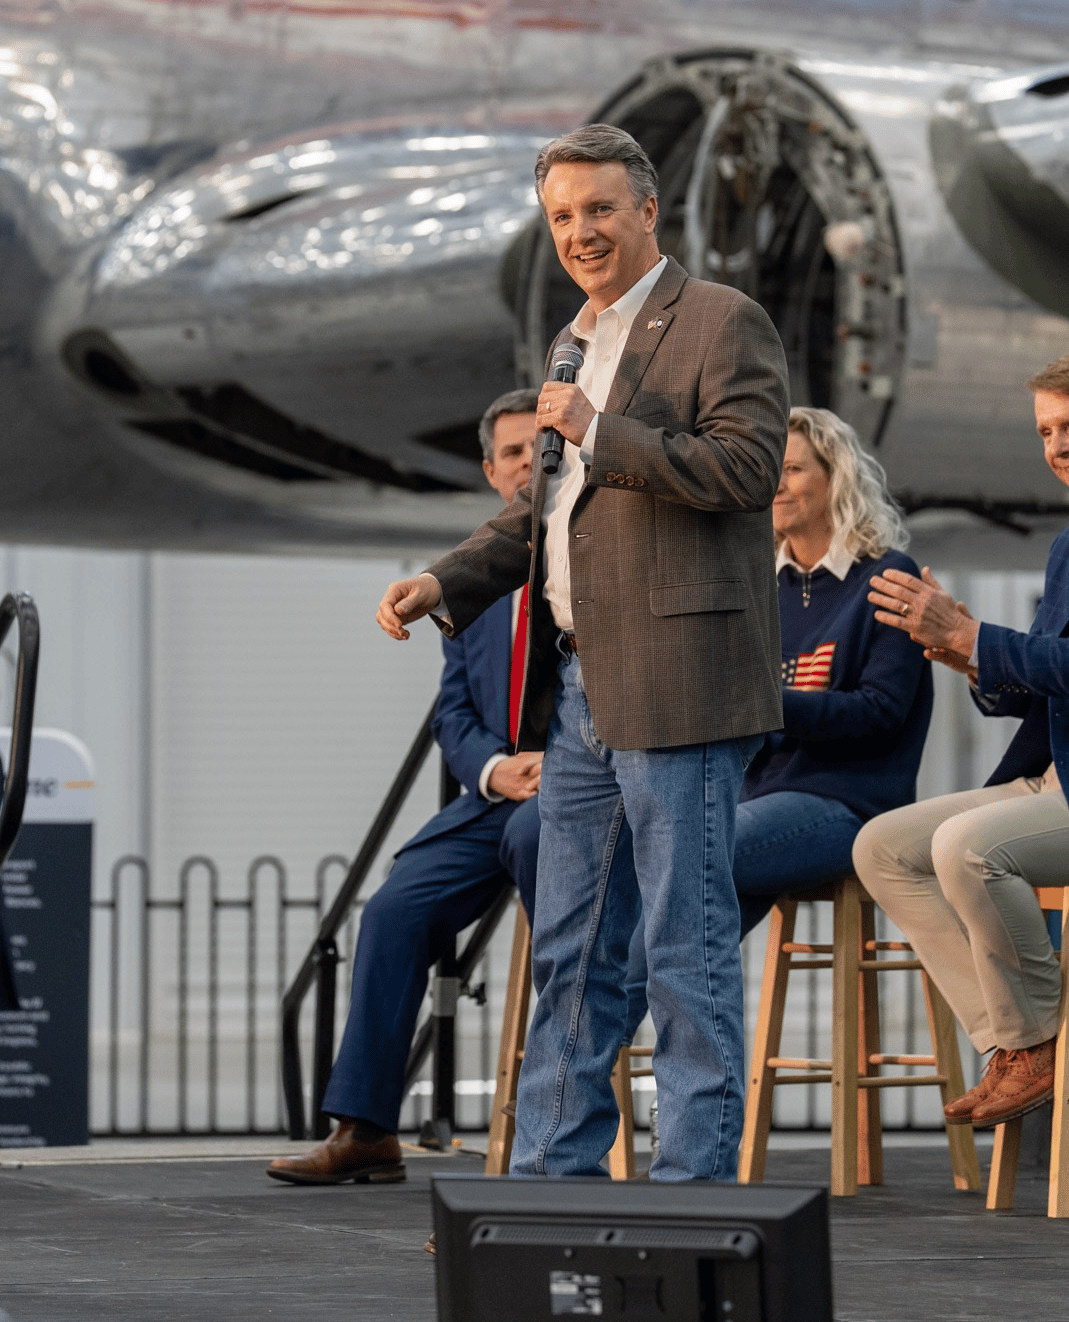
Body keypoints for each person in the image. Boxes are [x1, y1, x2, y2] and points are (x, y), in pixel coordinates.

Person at [376, 123, 789, 1182]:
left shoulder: (721, 320)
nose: (580, 232)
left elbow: (747, 471)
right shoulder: (571, 342)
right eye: (561, 216)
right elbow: (544, 513)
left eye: (599, 208)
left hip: (681, 683)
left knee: (685, 948)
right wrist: (447, 581)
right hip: (577, 691)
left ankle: (693, 1191)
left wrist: (601, 428)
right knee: (570, 949)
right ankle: (548, 1184)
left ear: (648, 210)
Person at [267, 390, 542, 1186]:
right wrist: (494, 769)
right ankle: (365, 1129)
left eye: (542, 448)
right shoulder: (468, 578)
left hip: (578, 788)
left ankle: (550, 1135)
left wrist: (559, 764)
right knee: (393, 911)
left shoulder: (591, 554)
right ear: (490, 472)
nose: (530, 463)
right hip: (494, 795)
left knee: (555, 893)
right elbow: (452, 714)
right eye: (513, 453)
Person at [855, 356, 1069, 1129]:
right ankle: (1021, 1042)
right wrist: (967, 655)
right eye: (1044, 431)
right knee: (882, 847)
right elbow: (1041, 682)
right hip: (1052, 775)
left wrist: (976, 637)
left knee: (966, 848)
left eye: (1068, 426)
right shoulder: (1065, 546)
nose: (1056, 446)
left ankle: (1030, 1041)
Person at [732, 408, 933, 934]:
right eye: (767, 468)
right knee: (676, 875)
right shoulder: (759, 586)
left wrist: (764, 703)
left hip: (851, 804)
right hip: (758, 801)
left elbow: (881, 712)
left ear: (836, 477)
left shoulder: (888, 575)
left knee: (693, 857)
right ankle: (646, 992)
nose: (776, 483)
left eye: (792, 468)